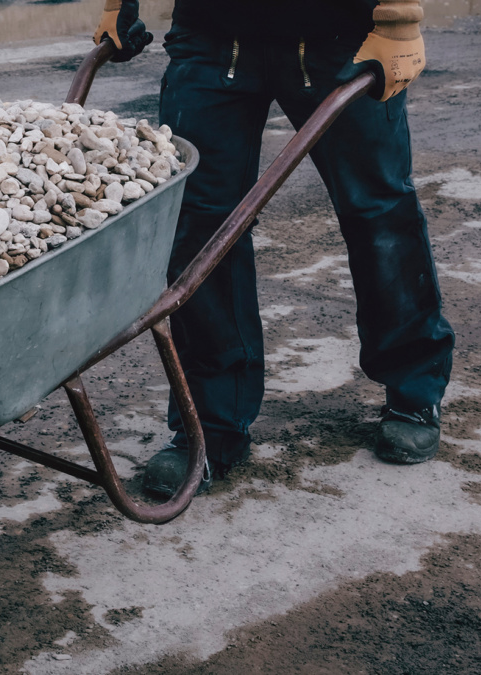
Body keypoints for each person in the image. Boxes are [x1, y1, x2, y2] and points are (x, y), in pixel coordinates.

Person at [92, 0, 455, 496]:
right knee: (202, 227)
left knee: (378, 213)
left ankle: (415, 390)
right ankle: (211, 428)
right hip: (212, 36)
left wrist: (398, 18)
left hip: (338, 37)